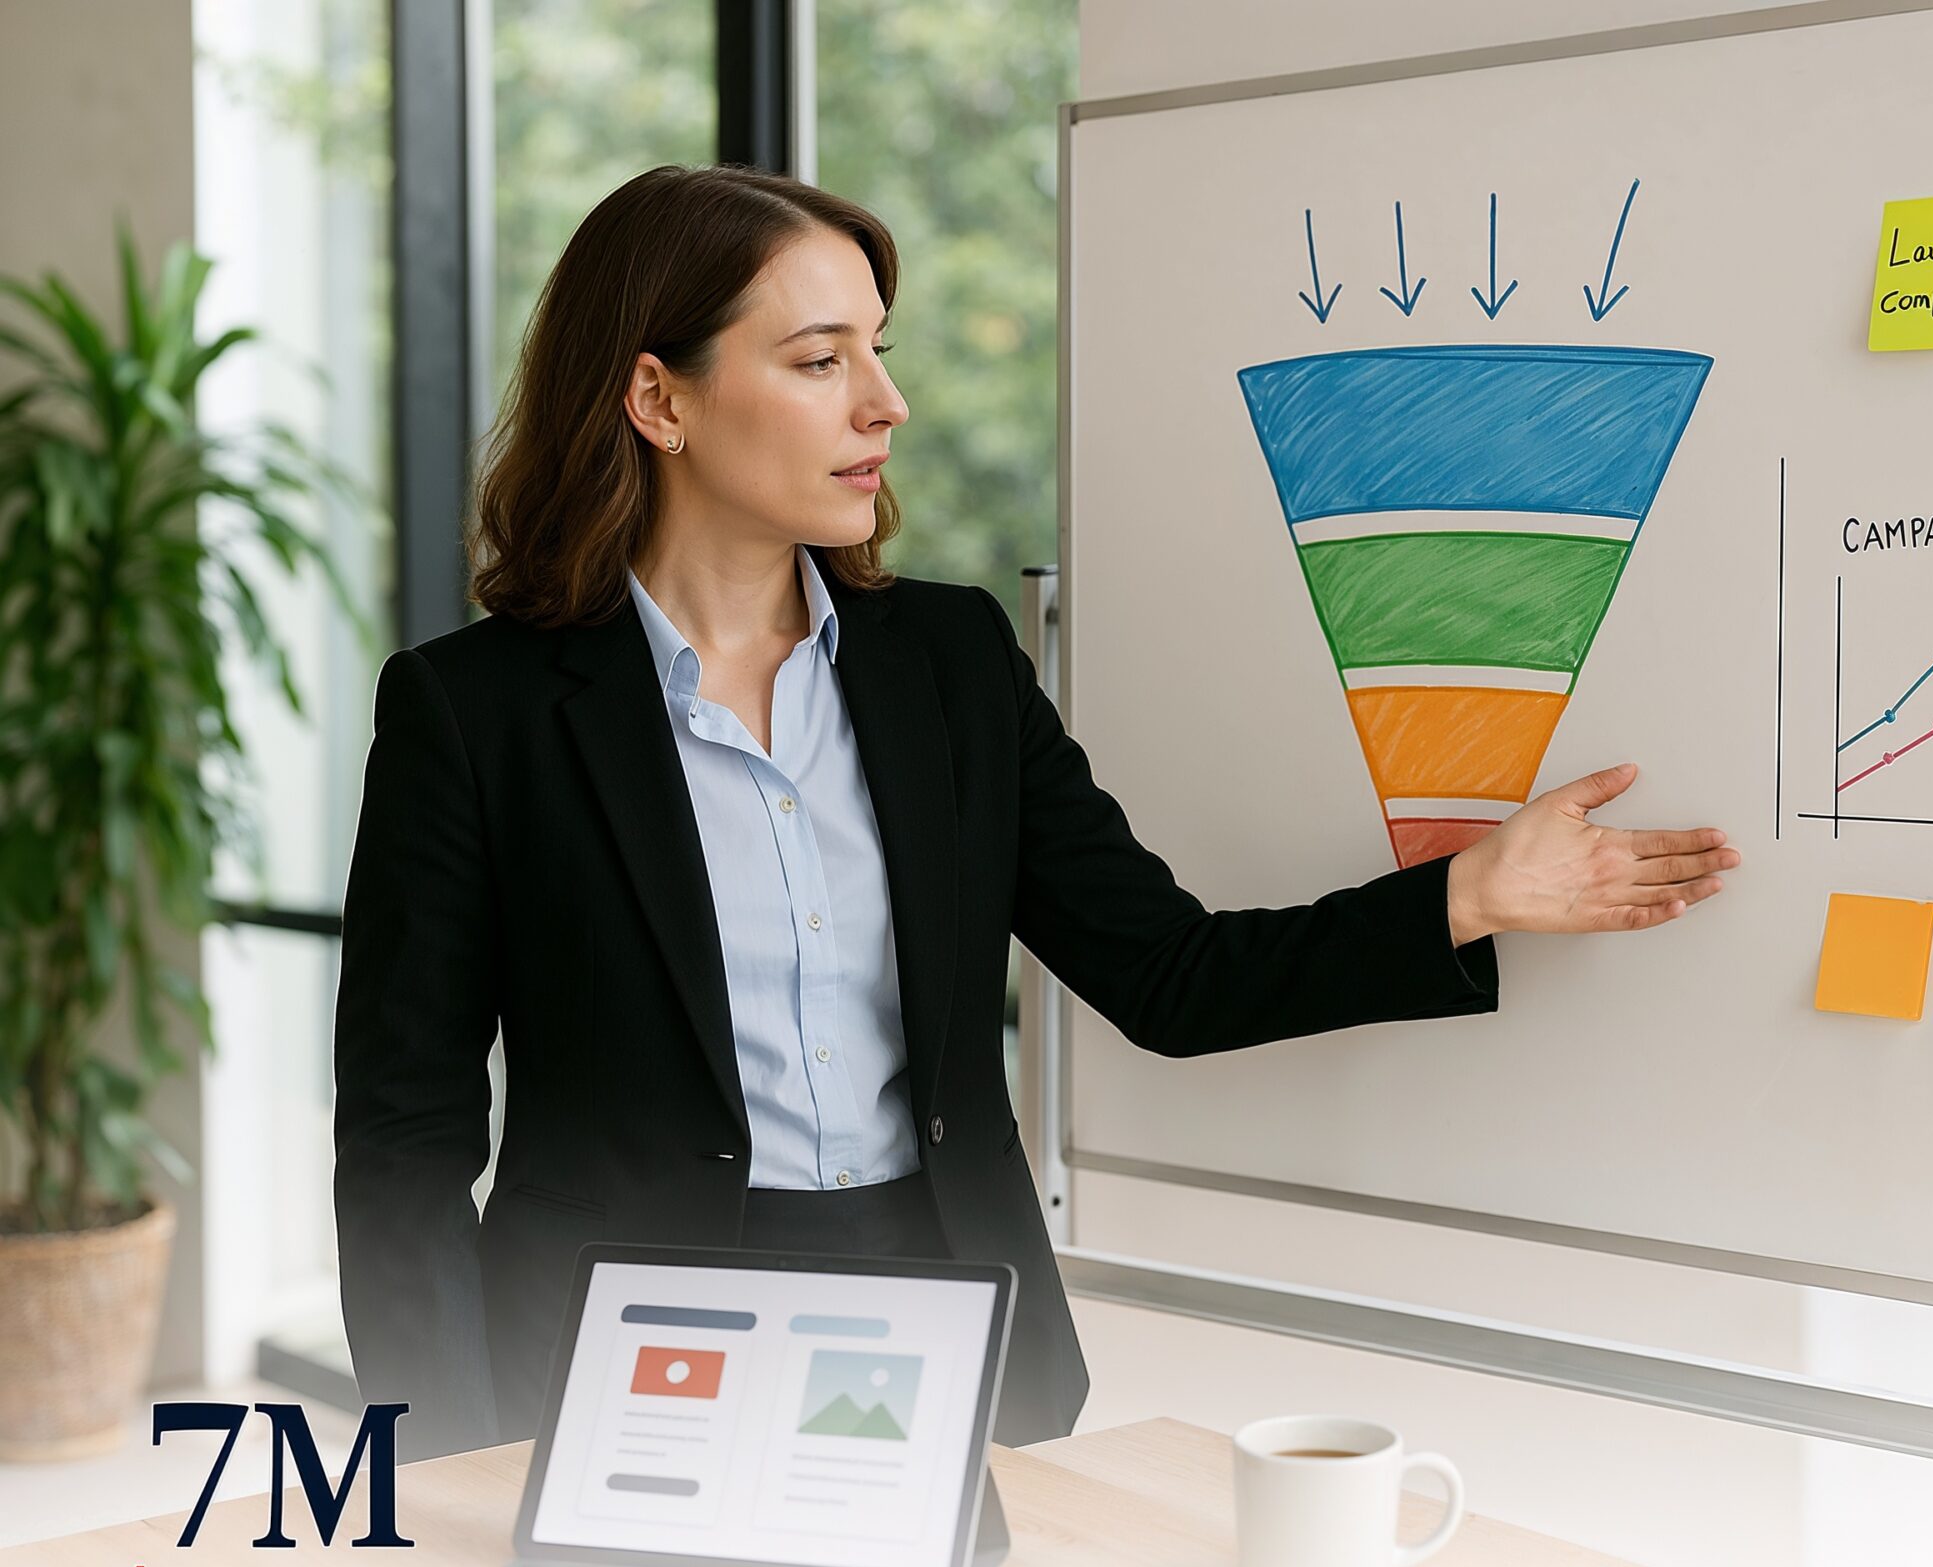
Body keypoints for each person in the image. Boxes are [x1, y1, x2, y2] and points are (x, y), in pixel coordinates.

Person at [331, 163, 1742, 1463]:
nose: (884, 402)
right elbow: (403, 1142)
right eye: (822, 361)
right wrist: (449, 1449)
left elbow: (1168, 976)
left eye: (880, 351)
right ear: (661, 399)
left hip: (939, 1330)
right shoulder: (475, 713)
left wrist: (1468, 896)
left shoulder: (947, 667)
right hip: (608, 1367)